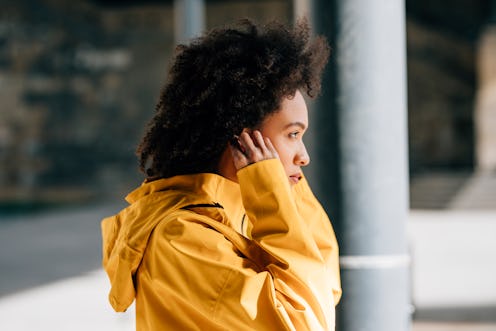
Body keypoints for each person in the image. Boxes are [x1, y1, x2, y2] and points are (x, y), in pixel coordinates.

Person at [101, 18, 341, 331]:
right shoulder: (181, 237)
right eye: (293, 135)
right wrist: (272, 192)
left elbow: (325, 284)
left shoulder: (249, 209)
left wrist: (280, 188)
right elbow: (305, 322)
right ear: (244, 140)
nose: (304, 156)